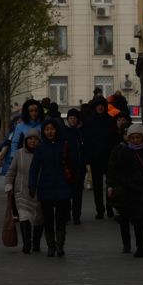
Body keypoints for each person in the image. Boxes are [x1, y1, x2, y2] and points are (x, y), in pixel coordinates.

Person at [109, 122, 143, 257]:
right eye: (132, 138)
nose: (135, 140)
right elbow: (120, 171)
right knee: (137, 221)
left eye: (137, 137)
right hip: (133, 191)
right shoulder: (125, 152)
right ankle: (140, 247)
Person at [29, 117, 76, 257]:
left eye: (52, 129)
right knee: (48, 218)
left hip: (62, 186)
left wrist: (73, 182)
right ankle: (51, 246)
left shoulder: (64, 145)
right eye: (47, 129)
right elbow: (34, 168)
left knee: (61, 218)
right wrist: (32, 184)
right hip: (46, 186)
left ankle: (60, 245)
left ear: (57, 130)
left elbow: (72, 164)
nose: (50, 132)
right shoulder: (41, 148)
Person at [80, 94, 119, 220]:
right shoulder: (89, 121)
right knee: (97, 186)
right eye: (98, 106)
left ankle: (109, 208)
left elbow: (114, 140)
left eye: (102, 105)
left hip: (109, 157)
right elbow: (86, 140)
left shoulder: (110, 120)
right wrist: (88, 157)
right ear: (95, 107)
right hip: (95, 157)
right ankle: (100, 210)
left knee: (110, 184)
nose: (100, 108)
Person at [6, 130, 44, 253]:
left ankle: (36, 243)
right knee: (24, 216)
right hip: (21, 192)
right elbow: (11, 172)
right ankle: (27, 244)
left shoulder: (43, 154)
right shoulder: (19, 154)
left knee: (38, 218)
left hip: (39, 192)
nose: (32, 141)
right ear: (26, 140)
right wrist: (8, 184)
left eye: (35, 139)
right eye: (30, 138)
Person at [0, 99, 46, 174]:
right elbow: (15, 142)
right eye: (31, 111)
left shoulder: (43, 125)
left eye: (36, 111)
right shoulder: (20, 126)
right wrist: (14, 157)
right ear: (27, 112)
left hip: (39, 158)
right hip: (23, 158)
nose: (34, 113)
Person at [61, 108, 87, 225]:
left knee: (78, 193)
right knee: (66, 193)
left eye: (74, 118)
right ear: (68, 119)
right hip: (67, 167)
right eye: (71, 118)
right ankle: (66, 214)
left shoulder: (81, 133)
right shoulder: (63, 132)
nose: (72, 120)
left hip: (79, 167)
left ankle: (76, 215)